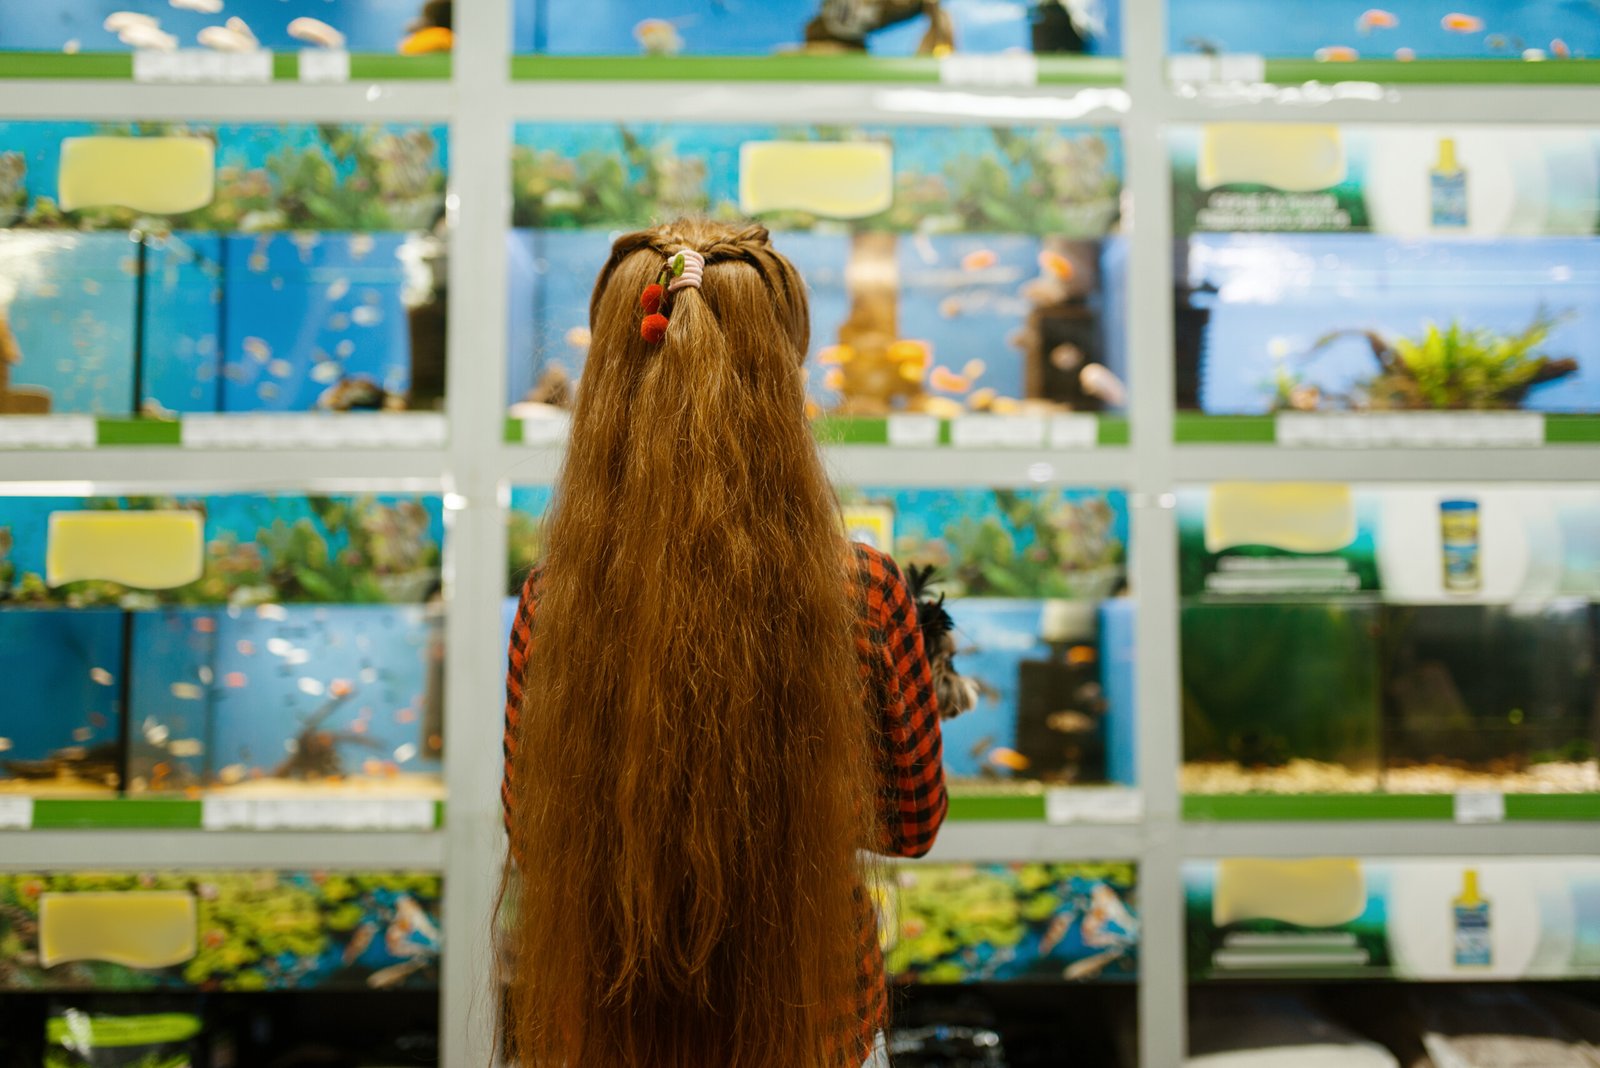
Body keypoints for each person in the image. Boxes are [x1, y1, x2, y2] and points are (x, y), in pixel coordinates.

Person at [500, 219, 947, 1068]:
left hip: (607, 1029)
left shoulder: (553, 599)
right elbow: (913, 824)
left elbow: (530, 836)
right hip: (813, 1028)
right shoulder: (865, 590)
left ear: (606, 383)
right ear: (787, 382)